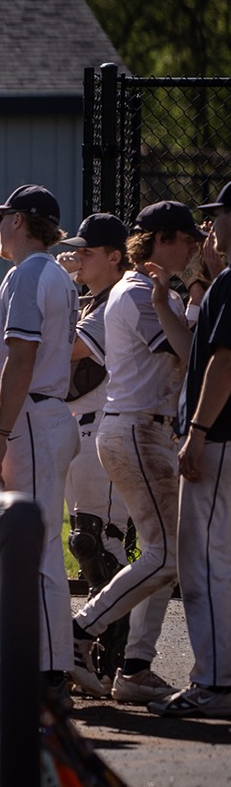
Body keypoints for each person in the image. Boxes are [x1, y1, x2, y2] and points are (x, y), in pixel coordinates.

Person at [71, 201, 199, 703]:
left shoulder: (149, 290)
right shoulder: (142, 291)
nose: (192, 247)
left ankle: (136, 667)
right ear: (162, 239)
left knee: (163, 554)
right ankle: (80, 633)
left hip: (144, 430)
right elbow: (191, 355)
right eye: (186, 239)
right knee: (166, 553)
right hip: (137, 431)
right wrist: (196, 289)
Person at [0, 184, 80, 693]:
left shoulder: (29, 273)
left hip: (31, 418)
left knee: (36, 547)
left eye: (3, 217)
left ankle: (48, 671)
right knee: (33, 543)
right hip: (43, 414)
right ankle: (45, 664)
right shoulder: (53, 273)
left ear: (20, 221)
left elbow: (21, 360)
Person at [158, 182, 231, 718]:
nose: (210, 228)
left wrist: (199, 431)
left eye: (219, 216)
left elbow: (223, 364)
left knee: (204, 565)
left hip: (221, 438)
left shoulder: (230, 280)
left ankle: (214, 681)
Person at [54, 214, 129, 681]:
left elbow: (64, 349)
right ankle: (104, 652)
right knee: (86, 541)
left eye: (87, 251)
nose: (77, 256)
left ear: (115, 256)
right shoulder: (92, 300)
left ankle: (112, 659)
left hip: (105, 427)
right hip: (84, 426)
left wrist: (55, 290)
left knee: (99, 543)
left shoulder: (111, 305)